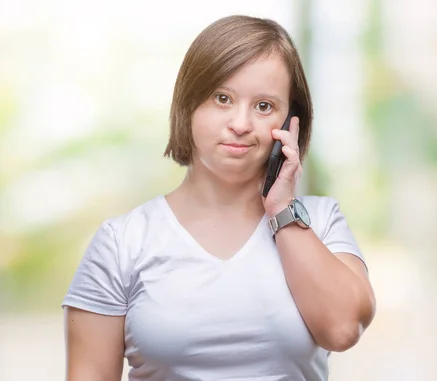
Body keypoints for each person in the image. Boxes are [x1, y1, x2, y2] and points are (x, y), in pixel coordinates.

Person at [62, 15, 376, 381]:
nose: (241, 124)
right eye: (222, 99)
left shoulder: (319, 221)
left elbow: (342, 331)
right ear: (188, 105)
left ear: (290, 122)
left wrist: (282, 210)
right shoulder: (122, 242)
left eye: (263, 106)